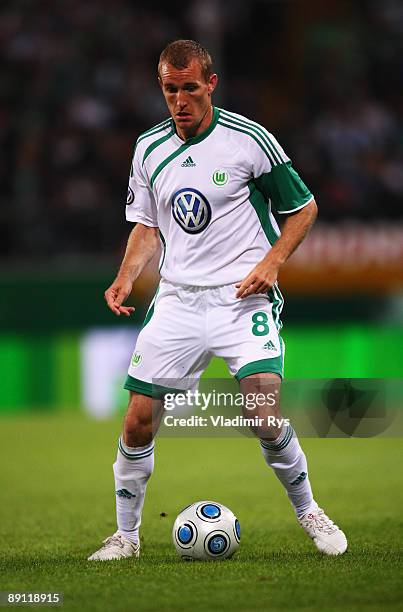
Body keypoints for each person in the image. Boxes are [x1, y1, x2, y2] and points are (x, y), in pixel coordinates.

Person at [88, 39, 347, 560]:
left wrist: (271, 264)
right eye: (169, 89)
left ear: (210, 84)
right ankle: (127, 536)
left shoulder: (248, 140)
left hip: (240, 299)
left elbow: (304, 208)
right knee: (138, 418)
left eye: (189, 88)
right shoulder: (148, 149)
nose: (180, 100)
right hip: (179, 301)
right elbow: (146, 225)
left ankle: (310, 511)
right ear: (160, 87)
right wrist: (125, 278)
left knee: (262, 409)